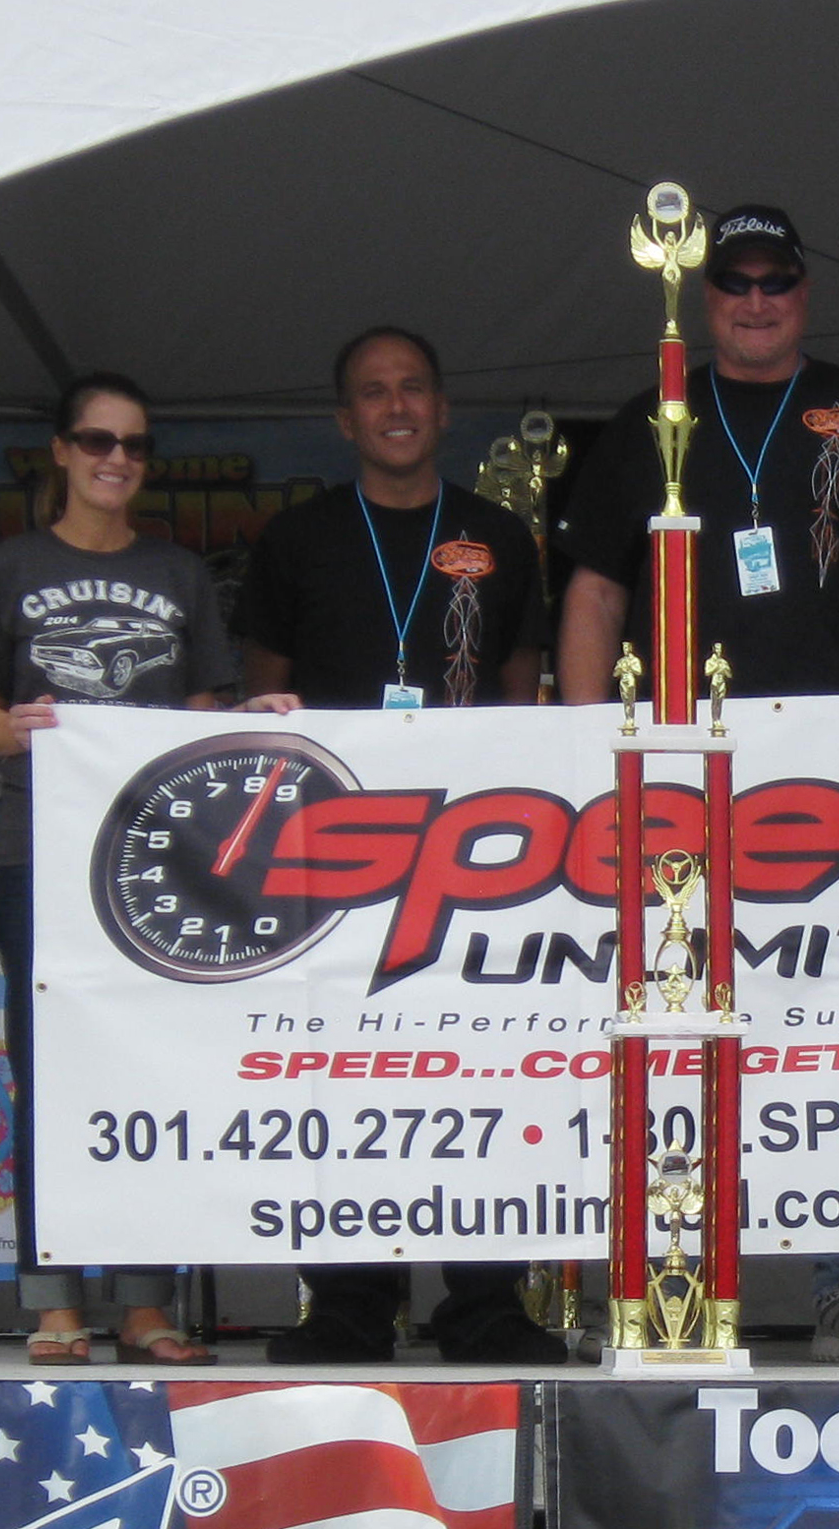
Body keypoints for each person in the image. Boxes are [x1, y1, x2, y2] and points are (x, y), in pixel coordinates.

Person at [555, 203, 839, 1362]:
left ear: (804, 290)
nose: (751, 300)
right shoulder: (651, 418)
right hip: (679, 769)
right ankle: (646, 1277)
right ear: (706, 294)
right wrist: (585, 741)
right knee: (664, 1013)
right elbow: (595, 586)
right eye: (731, 281)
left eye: (772, 280)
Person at [236, 325, 561, 1365]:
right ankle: (349, 1302)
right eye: (374, 392)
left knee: (480, 1067)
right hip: (338, 845)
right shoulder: (297, 539)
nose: (396, 406)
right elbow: (262, 698)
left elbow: (520, 696)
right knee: (347, 1072)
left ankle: (485, 1300)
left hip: (474, 845)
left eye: (413, 387)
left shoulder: (498, 535)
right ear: (346, 419)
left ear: (443, 407)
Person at [0, 370, 296, 1367]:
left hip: (155, 863)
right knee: (47, 1078)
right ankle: (53, 1303)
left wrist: (246, 720)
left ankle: (147, 1304)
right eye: (99, 441)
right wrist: (18, 730)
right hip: (40, 851)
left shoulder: (179, 572)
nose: (117, 459)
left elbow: (198, 720)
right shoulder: (9, 566)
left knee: (155, 1078)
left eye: (135, 445)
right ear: (62, 451)